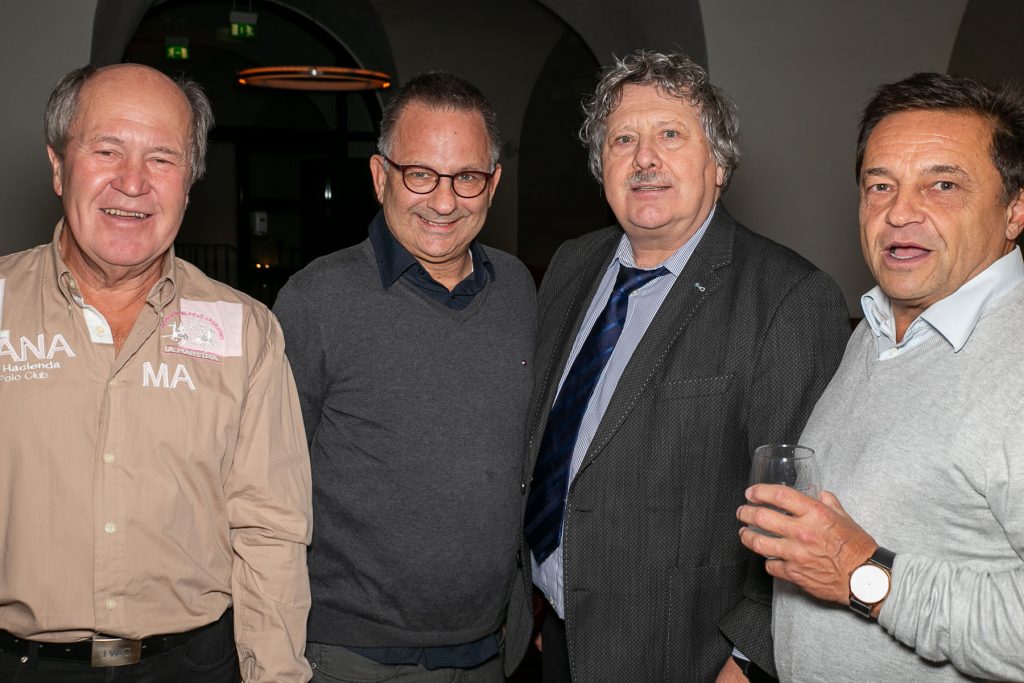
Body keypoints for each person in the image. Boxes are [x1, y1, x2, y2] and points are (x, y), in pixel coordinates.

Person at [518, 49, 850, 682]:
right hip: (558, 635)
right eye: (623, 140)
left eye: (670, 134)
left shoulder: (787, 298)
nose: (645, 158)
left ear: (718, 164)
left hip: (686, 656)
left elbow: (797, 507)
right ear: (602, 166)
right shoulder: (571, 265)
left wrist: (747, 660)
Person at [0, 64, 312, 681]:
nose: (133, 182)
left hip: (194, 666)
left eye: (162, 159)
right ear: (59, 166)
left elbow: (269, 534)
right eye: (107, 150)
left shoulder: (245, 331)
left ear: (189, 186)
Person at [738, 72, 1024, 681]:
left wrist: (864, 575)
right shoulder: (875, 328)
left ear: (1015, 211)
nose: (899, 212)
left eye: (942, 185)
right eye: (880, 185)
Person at [272, 72, 537, 682]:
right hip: (352, 657)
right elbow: (266, 490)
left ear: (493, 183)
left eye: (466, 177)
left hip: (489, 652)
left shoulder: (518, 290)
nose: (443, 202)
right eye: (420, 174)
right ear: (379, 176)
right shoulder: (316, 300)